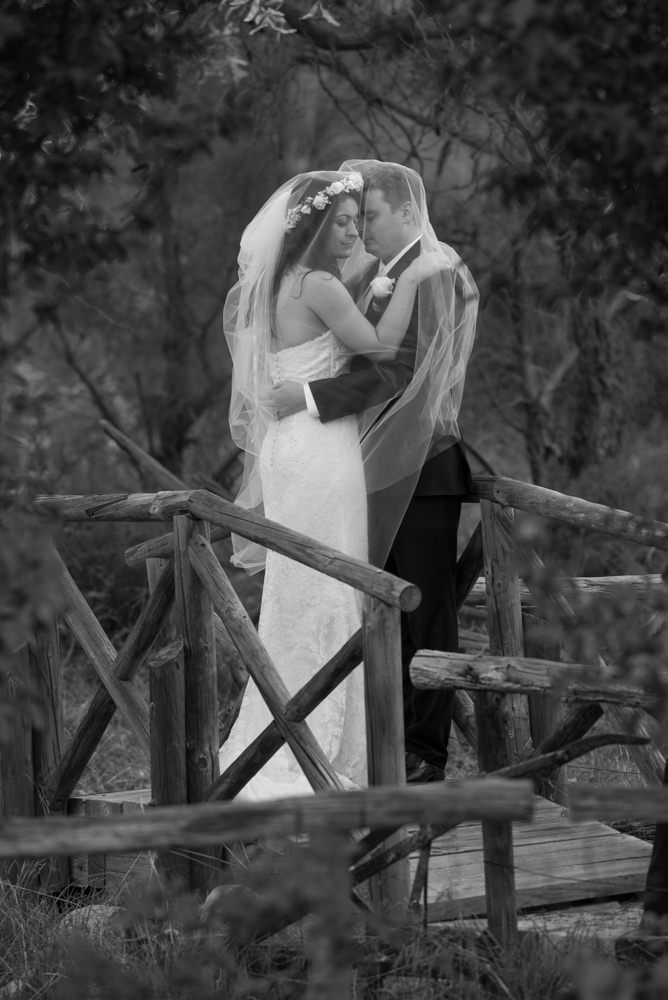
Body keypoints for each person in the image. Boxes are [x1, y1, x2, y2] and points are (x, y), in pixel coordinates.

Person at [219, 169, 450, 800]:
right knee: (329, 580)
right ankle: (322, 744)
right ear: (317, 224)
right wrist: (410, 282)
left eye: (359, 220)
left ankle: (290, 735)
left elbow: (340, 337)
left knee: (308, 583)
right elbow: (379, 346)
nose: (353, 232)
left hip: (293, 448)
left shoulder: (280, 283)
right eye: (344, 221)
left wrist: (377, 283)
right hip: (320, 449)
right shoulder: (320, 283)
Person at [271, 160, 479, 784]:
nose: (363, 232)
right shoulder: (385, 274)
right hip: (374, 466)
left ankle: (425, 754)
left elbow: (405, 370)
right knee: (381, 611)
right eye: (354, 220)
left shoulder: (436, 273)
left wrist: (311, 397)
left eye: (373, 218)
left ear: (408, 211)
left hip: (422, 467)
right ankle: (381, 748)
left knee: (425, 613)